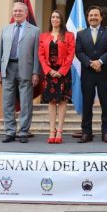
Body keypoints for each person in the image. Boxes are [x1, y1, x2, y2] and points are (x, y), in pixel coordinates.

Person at [0, 2, 41, 144]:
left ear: (26, 13)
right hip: (7, 69)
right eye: (15, 11)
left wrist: (35, 72)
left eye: (20, 11)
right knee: (7, 102)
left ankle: (23, 132)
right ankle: (10, 131)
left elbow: (36, 54)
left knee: (26, 102)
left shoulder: (34, 30)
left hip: (25, 69)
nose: (17, 13)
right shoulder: (5, 29)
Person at [75, 5, 107, 143]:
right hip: (88, 73)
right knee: (87, 103)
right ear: (87, 18)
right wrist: (90, 63)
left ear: (101, 17)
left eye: (96, 15)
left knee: (106, 103)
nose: (93, 17)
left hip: (104, 72)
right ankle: (86, 133)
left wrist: (100, 62)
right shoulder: (81, 34)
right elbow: (79, 52)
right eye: (90, 15)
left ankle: (106, 133)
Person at [38, 10, 75, 144]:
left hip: (63, 72)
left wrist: (62, 71)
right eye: (53, 17)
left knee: (62, 101)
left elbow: (71, 55)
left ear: (61, 20)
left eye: (57, 17)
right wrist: (49, 70)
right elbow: (41, 55)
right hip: (49, 73)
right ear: (50, 20)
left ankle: (60, 130)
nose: (55, 19)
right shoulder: (44, 36)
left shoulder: (69, 36)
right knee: (52, 101)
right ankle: (51, 130)